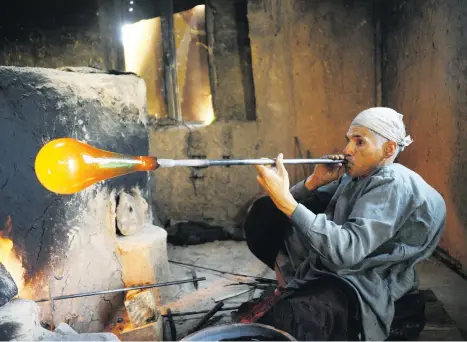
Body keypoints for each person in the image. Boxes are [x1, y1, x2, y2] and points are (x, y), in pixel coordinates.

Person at [242, 107, 447, 341]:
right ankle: (291, 287)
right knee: (264, 213)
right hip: (334, 264)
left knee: (287, 321)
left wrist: (286, 200)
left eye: (360, 142)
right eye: (349, 140)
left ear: (388, 148)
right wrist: (314, 181)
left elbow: (347, 251)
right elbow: (298, 208)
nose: (347, 150)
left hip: (363, 278)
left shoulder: (393, 183)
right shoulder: (358, 176)